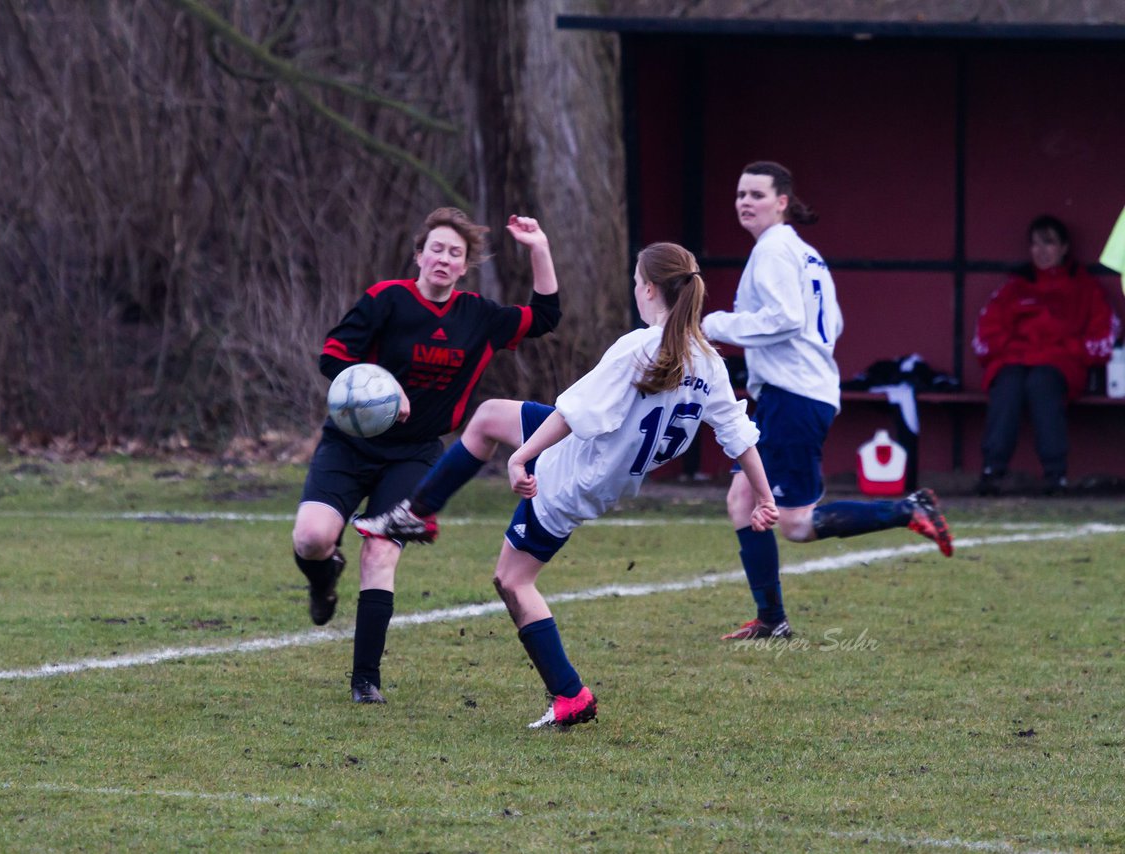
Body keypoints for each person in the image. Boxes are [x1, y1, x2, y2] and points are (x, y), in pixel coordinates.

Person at [356, 242, 779, 728]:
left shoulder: (638, 348)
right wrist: (764, 497)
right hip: (605, 466)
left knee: (513, 581)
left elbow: (575, 414)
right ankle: (418, 513)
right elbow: (739, 436)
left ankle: (570, 694)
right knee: (490, 415)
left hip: (574, 474)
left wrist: (522, 456)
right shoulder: (708, 360)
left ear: (645, 288)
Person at [292, 207, 561, 704]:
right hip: (349, 445)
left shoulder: (477, 316)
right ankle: (323, 576)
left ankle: (364, 682)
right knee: (311, 539)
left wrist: (539, 248)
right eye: (435, 248)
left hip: (414, 454)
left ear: (463, 267)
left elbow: (545, 317)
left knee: (380, 550)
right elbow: (332, 355)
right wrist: (384, 390)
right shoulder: (385, 300)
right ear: (418, 255)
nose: (443, 258)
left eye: (454, 253)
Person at [700, 161, 954, 642]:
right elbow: (830, 325)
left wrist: (713, 325)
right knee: (742, 499)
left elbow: (785, 318)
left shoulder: (774, 250)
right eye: (740, 194)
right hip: (795, 391)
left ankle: (907, 509)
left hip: (792, 396)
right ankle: (771, 619)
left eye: (757, 194)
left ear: (782, 202)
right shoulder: (804, 252)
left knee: (794, 523)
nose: (745, 202)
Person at [972, 215, 1116, 496]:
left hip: (1059, 365)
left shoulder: (1085, 288)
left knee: (1042, 383)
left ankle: (1055, 475)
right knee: (1009, 383)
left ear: (1064, 247)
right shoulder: (1014, 287)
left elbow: (1102, 340)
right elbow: (984, 338)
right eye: (1035, 244)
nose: (1041, 251)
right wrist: (1016, 350)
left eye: (1049, 243)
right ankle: (992, 471)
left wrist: (1065, 350)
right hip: (1015, 361)